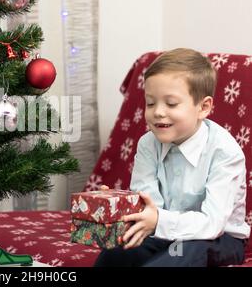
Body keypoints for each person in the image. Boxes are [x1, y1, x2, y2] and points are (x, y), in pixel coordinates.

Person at [94, 48, 250, 267]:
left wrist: (158, 220)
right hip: (161, 232)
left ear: (203, 107)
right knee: (117, 251)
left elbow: (212, 223)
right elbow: (149, 204)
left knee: (185, 251)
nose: (158, 112)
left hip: (218, 237)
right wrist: (121, 205)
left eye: (171, 104)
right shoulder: (148, 144)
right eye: (150, 103)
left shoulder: (224, 152)